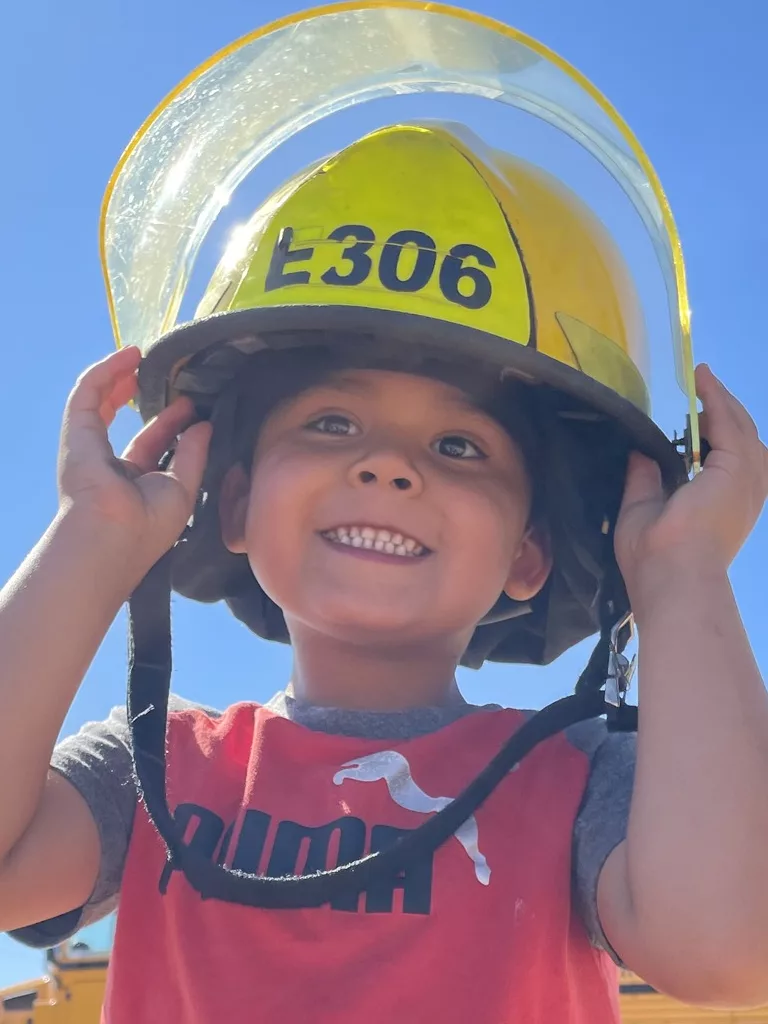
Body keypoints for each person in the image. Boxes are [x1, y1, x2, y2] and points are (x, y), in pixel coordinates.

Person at [0, 122, 767, 1024]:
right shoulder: (156, 765)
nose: (389, 467)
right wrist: (93, 536)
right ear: (235, 504)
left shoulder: (579, 778)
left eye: (458, 445)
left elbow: (730, 952)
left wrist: (680, 577)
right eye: (330, 423)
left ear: (529, 553)